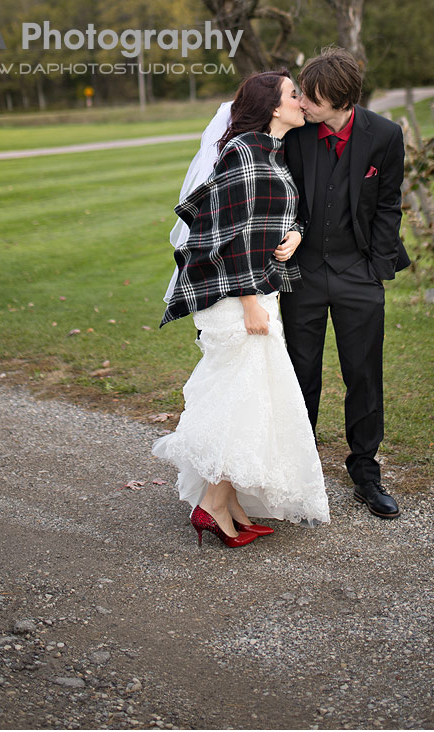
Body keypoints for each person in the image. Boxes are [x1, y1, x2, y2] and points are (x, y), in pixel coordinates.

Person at [154, 71, 330, 549]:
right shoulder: (243, 151)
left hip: (257, 291)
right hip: (237, 298)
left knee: (251, 397)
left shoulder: (269, 150)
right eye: (294, 95)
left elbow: (270, 215)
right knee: (246, 399)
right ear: (274, 107)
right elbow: (227, 233)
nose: (302, 101)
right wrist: (252, 301)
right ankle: (211, 505)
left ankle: (228, 504)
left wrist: (293, 233)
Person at [280, 47, 410, 519]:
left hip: (359, 274)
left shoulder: (385, 136)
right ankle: (300, 467)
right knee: (300, 373)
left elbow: (388, 203)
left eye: (312, 98)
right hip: (303, 274)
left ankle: (365, 472)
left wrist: (377, 270)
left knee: (363, 374)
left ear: (340, 100)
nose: (303, 104)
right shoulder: (298, 135)